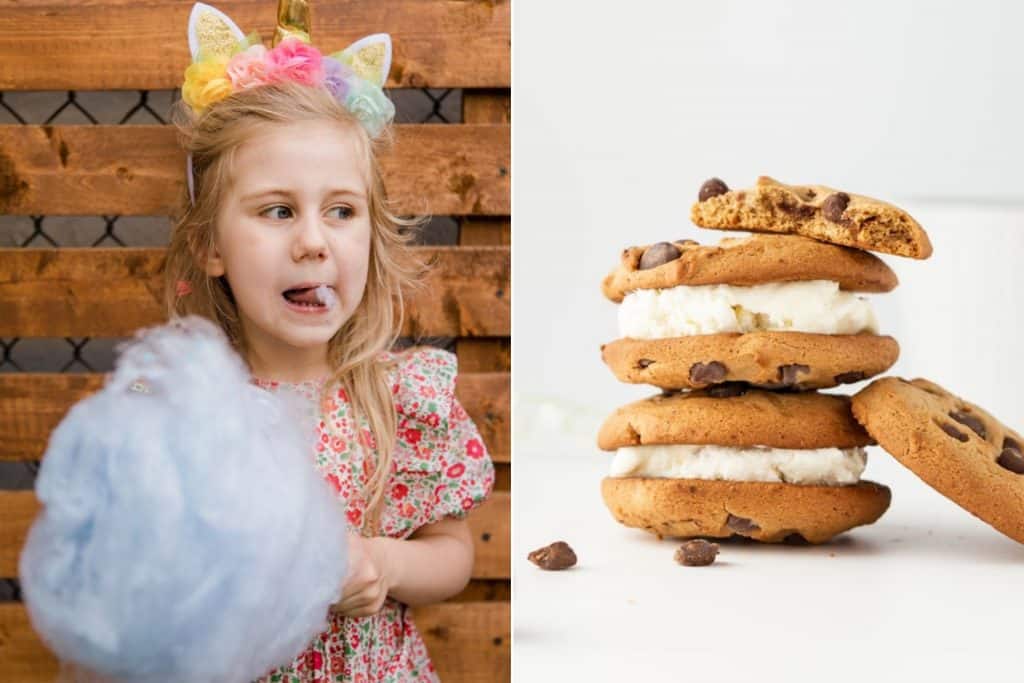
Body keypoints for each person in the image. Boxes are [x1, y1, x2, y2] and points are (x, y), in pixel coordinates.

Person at [163, 3, 495, 679]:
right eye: (278, 210)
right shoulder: (188, 411)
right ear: (211, 245)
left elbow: (453, 554)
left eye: (341, 211)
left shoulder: (398, 396)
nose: (314, 241)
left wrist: (385, 561)